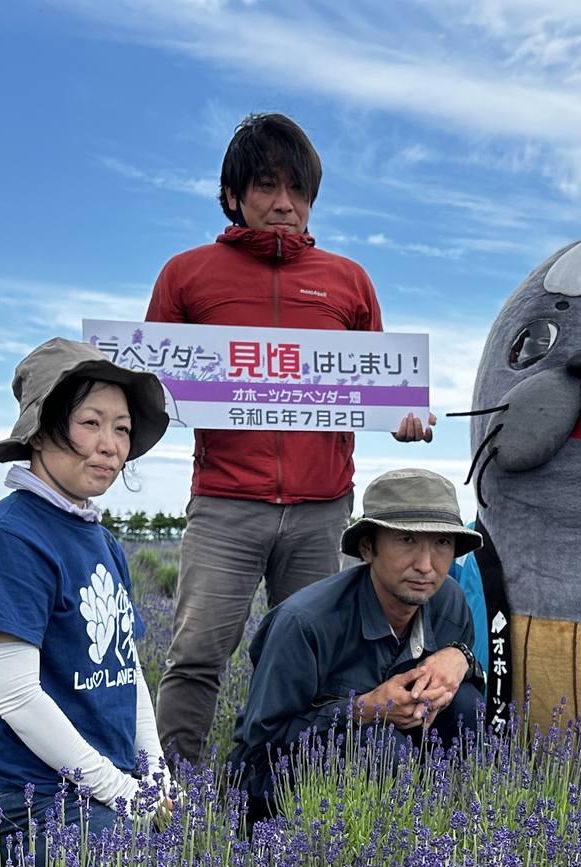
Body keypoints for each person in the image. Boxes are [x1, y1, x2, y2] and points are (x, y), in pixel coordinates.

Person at [146, 110, 436, 767]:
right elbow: (151, 388)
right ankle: (171, 794)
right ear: (232, 195)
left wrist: (402, 414)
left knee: (323, 661)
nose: (285, 204)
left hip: (323, 511)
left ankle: (290, 790)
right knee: (196, 655)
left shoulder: (349, 281)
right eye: (267, 187)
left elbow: (378, 385)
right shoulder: (185, 275)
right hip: (225, 504)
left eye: (298, 190)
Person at [0, 337, 175, 867]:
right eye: (91, 423)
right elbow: (18, 697)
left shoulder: (101, 539)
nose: (110, 445)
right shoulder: (10, 538)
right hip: (27, 797)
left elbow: (126, 669)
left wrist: (155, 774)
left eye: (122, 429)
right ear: (40, 430)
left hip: (99, 783)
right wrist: (122, 792)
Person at [228, 469, 485, 822]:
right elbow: (262, 741)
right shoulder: (305, 622)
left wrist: (461, 657)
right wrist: (362, 710)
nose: (426, 566)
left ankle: (450, 825)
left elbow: (463, 685)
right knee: (379, 748)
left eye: (442, 542)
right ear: (368, 548)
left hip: (393, 763)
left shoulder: (449, 601)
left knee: (467, 704)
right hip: (281, 781)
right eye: (407, 540)